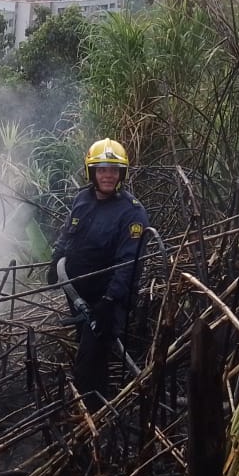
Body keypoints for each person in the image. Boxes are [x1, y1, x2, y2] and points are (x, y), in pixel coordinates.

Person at [49, 137, 150, 410]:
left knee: (89, 362)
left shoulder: (132, 213)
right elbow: (68, 232)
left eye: (114, 170)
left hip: (109, 300)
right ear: (92, 171)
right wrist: (56, 259)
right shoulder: (82, 198)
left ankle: (93, 418)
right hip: (78, 292)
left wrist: (109, 302)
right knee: (88, 347)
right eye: (102, 169)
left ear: (122, 174)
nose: (108, 175)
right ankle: (97, 402)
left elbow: (129, 263)